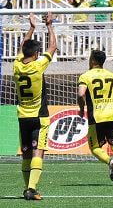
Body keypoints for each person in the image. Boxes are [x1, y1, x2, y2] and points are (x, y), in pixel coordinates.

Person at [13, 12, 56, 201]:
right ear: (37, 54)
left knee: (26, 154)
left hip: (23, 116)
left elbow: (23, 47)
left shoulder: (16, 66)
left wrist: (31, 27)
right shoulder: (38, 66)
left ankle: (26, 187)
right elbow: (53, 47)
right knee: (39, 151)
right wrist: (49, 25)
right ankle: (31, 188)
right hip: (39, 116)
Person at [77, 49, 113, 186]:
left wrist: (82, 109)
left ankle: (109, 161)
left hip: (96, 117)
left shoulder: (85, 76)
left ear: (92, 60)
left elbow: (81, 94)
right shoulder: (112, 75)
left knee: (94, 148)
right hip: (112, 116)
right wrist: (111, 100)